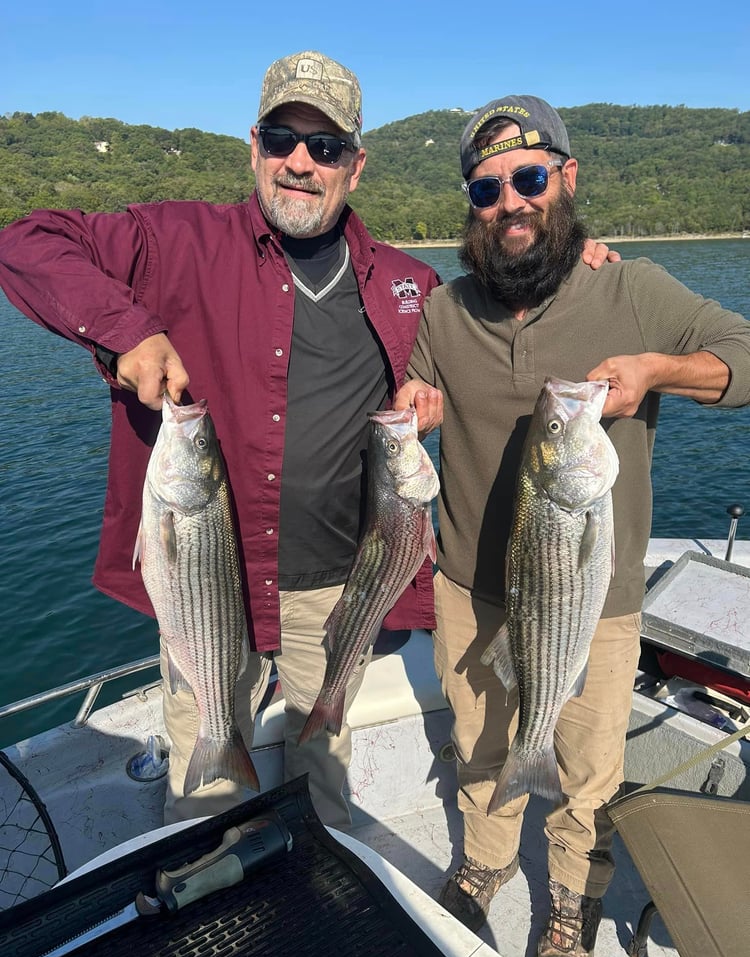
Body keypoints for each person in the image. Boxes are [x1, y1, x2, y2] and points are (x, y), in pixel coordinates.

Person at [0, 61, 611, 833]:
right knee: (205, 790)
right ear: (254, 146)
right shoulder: (171, 240)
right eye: (285, 139)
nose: (301, 161)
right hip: (207, 579)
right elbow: (27, 241)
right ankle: (212, 896)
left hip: (338, 588)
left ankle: (323, 884)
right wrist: (130, 330)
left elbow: (507, 300)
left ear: (355, 164)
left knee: (325, 766)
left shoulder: (407, 282)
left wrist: (577, 264)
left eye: (325, 146)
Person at [394, 94, 750, 957]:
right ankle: (484, 860)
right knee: (479, 742)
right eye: (487, 188)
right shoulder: (444, 310)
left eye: (529, 177)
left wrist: (659, 369)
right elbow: (419, 388)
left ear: (566, 178)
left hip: (597, 595)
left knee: (589, 765)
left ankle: (569, 894)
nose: (510, 201)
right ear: (471, 204)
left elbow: (743, 354)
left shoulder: (632, 291)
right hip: (469, 583)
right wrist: (413, 409)